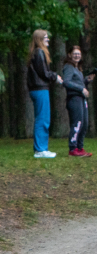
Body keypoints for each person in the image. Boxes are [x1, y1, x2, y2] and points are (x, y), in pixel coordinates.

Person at [27, 29, 63, 159]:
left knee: (42, 118)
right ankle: (40, 149)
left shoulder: (35, 53)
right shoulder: (40, 53)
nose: (48, 40)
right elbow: (44, 73)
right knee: (42, 119)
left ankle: (42, 148)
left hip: (38, 89)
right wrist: (55, 77)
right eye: (45, 38)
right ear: (39, 39)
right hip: (40, 89)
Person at [63, 46, 94, 157]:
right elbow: (66, 82)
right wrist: (81, 89)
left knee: (84, 123)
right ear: (70, 55)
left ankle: (80, 148)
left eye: (79, 54)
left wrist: (86, 80)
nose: (77, 56)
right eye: (75, 53)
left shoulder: (78, 70)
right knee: (77, 123)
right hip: (74, 99)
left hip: (81, 99)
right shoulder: (69, 67)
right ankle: (73, 148)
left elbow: (77, 83)